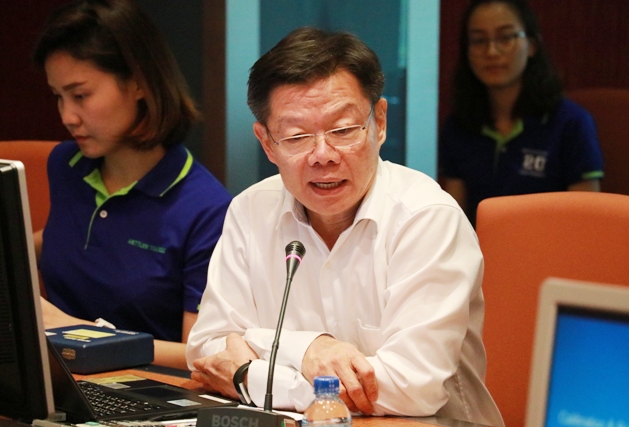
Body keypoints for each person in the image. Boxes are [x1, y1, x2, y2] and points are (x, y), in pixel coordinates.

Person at [185, 27, 504, 426]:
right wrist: (312, 351)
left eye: (343, 130)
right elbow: (208, 349)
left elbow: (411, 388)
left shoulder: (426, 218)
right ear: (267, 143)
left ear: (379, 122)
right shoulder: (251, 210)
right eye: (297, 136)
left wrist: (255, 370)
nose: (323, 155)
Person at [32, 0, 232, 370]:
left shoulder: (206, 209)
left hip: (142, 390)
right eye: (58, 97)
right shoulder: (66, 164)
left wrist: (74, 332)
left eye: (80, 95)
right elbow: (69, 238)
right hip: (54, 378)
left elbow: (200, 357)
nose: (67, 116)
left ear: (139, 83)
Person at [439, 0, 604, 225]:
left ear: (532, 45)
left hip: (550, 243)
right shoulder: (459, 125)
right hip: (478, 245)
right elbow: (454, 219)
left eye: (505, 38)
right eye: (479, 40)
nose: (491, 51)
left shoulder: (571, 124)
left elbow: (586, 220)